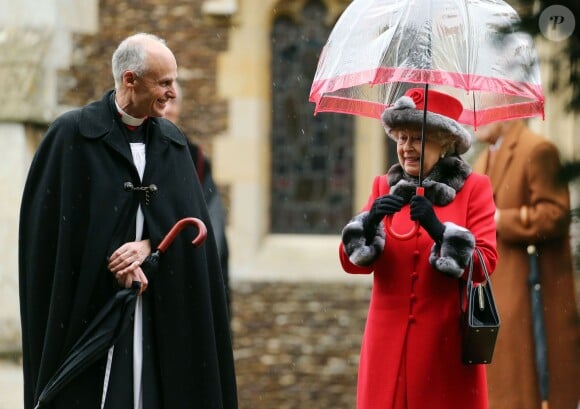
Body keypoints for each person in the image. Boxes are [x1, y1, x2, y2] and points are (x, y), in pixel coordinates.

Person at [18, 33, 238, 409]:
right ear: (130, 80)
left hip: (158, 312)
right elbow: (48, 242)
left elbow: (189, 226)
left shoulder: (174, 144)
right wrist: (111, 259)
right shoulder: (71, 136)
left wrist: (150, 246)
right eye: (164, 82)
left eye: (174, 81)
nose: (173, 92)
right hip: (90, 315)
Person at [339, 87, 498, 409]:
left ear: (444, 143)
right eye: (401, 138)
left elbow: (485, 264)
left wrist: (440, 231)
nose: (406, 148)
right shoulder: (383, 186)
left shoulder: (474, 189)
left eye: (417, 139)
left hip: (444, 346)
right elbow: (351, 263)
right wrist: (369, 222)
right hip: (385, 342)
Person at [473, 119, 579, 409]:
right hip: (496, 300)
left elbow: (555, 214)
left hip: (531, 298)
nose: (474, 114)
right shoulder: (483, 159)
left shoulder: (538, 149)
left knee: (529, 389)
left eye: (481, 101)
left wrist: (499, 220)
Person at [164, 83, 231, 322]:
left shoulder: (195, 159)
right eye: (164, 102)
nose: (168, 109)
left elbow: (212, 227)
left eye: (174, 103)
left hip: (184, 272)